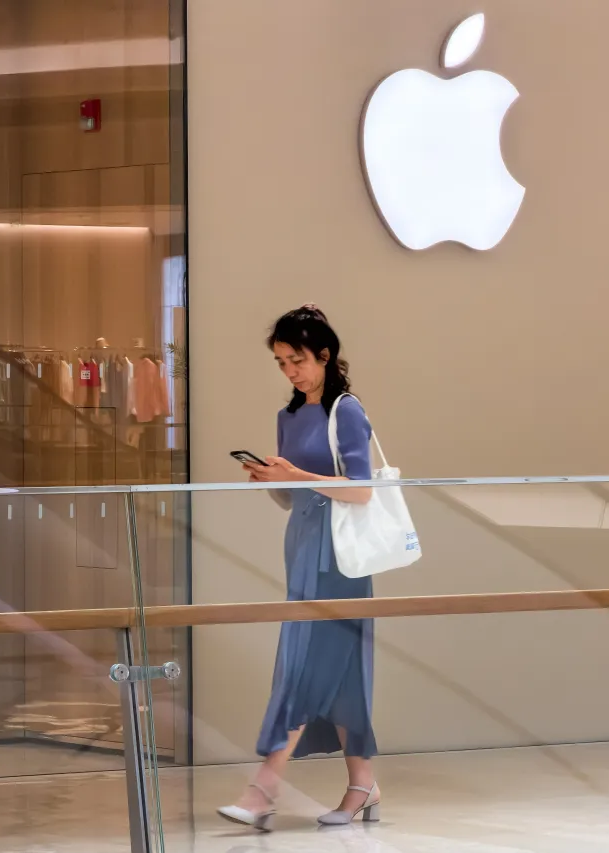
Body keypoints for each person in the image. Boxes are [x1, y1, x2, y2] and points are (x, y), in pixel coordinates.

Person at [217, 305, 381, 830]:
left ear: (324, 356)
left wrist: (300, 474)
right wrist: (273, 481)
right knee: (339, 676)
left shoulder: (346, 411)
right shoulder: (288, 417)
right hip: (303, 547)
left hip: (340, 560)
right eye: (282, 362)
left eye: (298, 360)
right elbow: (294, 499)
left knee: (302, 666)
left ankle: (263, 789)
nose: (291, 371)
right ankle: (364, 785)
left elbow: (361, 490)